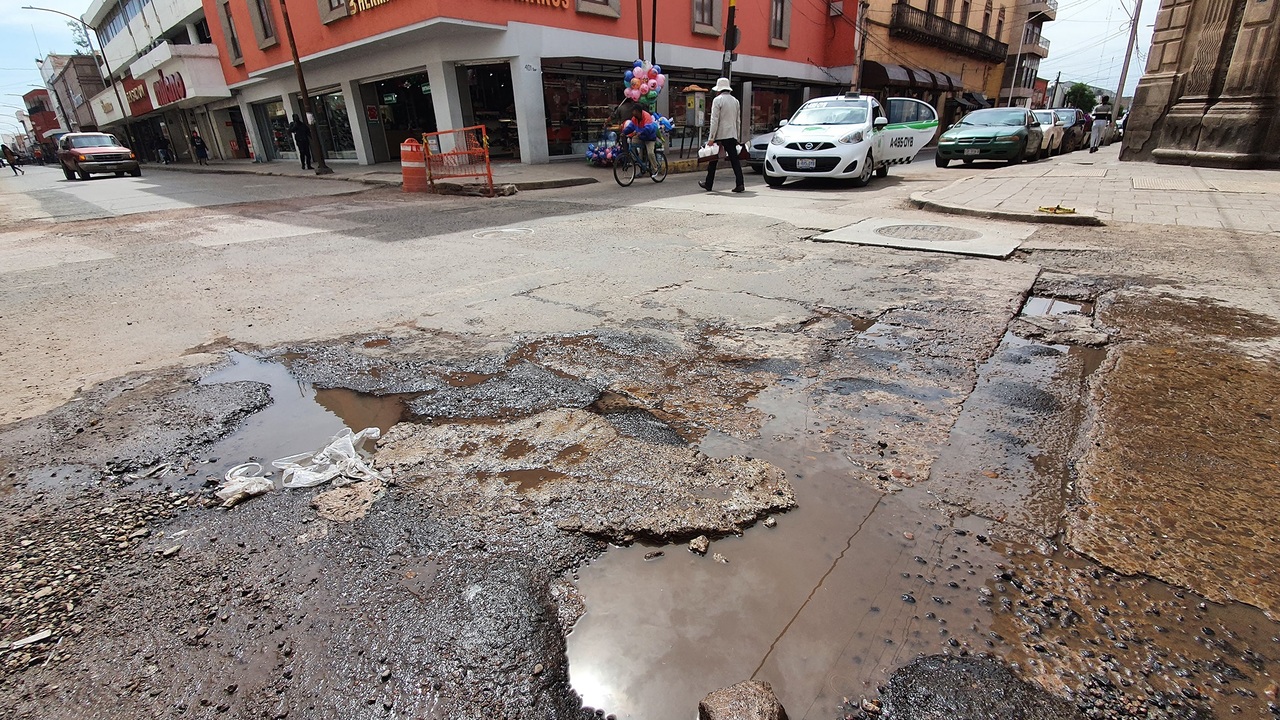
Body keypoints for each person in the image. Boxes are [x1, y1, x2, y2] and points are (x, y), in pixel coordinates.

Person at [699, 77, 744, 193]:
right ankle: (740, 183)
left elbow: (714, 120)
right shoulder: (735, 101)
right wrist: (737, 136)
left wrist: (711, 138)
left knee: (713, 160)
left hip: (720, 134)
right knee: (734, 160)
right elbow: (738, 121)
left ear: (719, 90)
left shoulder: (717, 100)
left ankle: (709, 184)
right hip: (732, 134)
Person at [624, 104, 659, 176]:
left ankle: (655, 168)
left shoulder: (646, 116)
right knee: (632, 141)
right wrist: (624, 132)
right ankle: (636, 160)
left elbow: (649, 128)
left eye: (633, 111)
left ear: (637, 111)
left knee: (650, 153)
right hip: (641, 137)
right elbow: (630, 127)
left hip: (649, 138)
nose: (632, 113)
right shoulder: (634, 118)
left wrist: (641, 132)